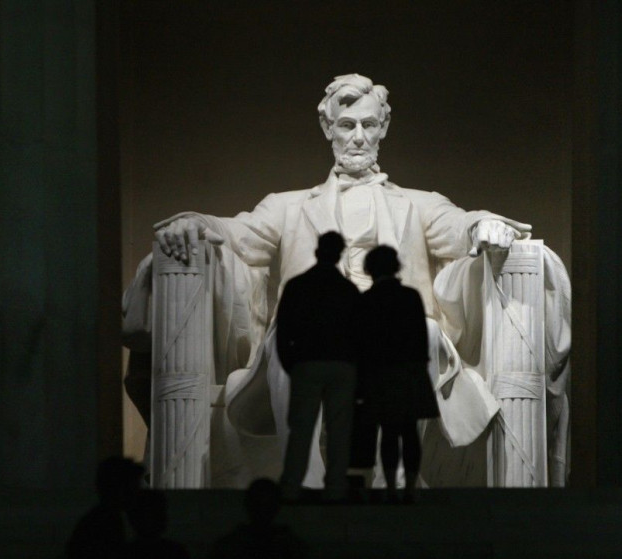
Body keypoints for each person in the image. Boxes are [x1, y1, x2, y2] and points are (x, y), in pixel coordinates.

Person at [123, 73, 571, 488]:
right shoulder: (287, 206)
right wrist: (192, 222)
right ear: (328, 129)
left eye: (369, 125)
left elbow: (460, 225)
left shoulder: (420, 205)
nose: (358, 136)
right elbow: (236, 235)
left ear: (384, 128)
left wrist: (484, 226)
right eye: (346, 124)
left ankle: (392, 479)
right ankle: (311, 480)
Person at [275, 231, 360, 502]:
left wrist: (292, 364)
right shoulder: (347, 290)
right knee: (339, 431)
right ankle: (335, 486)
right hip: (340, 367)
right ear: (338, 255)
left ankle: (291, 486)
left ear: (317, 252)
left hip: (307, 365)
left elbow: (283, 330)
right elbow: (359, 334)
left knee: (300, 428)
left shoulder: (298, 286)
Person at [354, 246, 439, 503]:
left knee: (389, 432)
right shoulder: (411, 296)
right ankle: (410, 487)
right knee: (410, 431)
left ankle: (391, 487)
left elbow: (362, 345)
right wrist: (419, 368)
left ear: (369, 270)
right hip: (409, 371)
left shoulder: (367, 300)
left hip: (380, 374)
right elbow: (420, 338)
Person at [66, 456, 144, 559]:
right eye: (134, 487)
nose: (138, 492)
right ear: (121, 489)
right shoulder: (107, 523)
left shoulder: (99, 520)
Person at [208, 478, 306, 559]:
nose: (262, 510)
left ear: (247, 504)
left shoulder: (229, 546)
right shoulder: (291, 546)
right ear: (277, 508)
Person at [121, 490, 189, 559]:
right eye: (157, 514)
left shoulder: (125, 553)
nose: (164, 518)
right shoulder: (176, 551)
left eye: (162, 513)